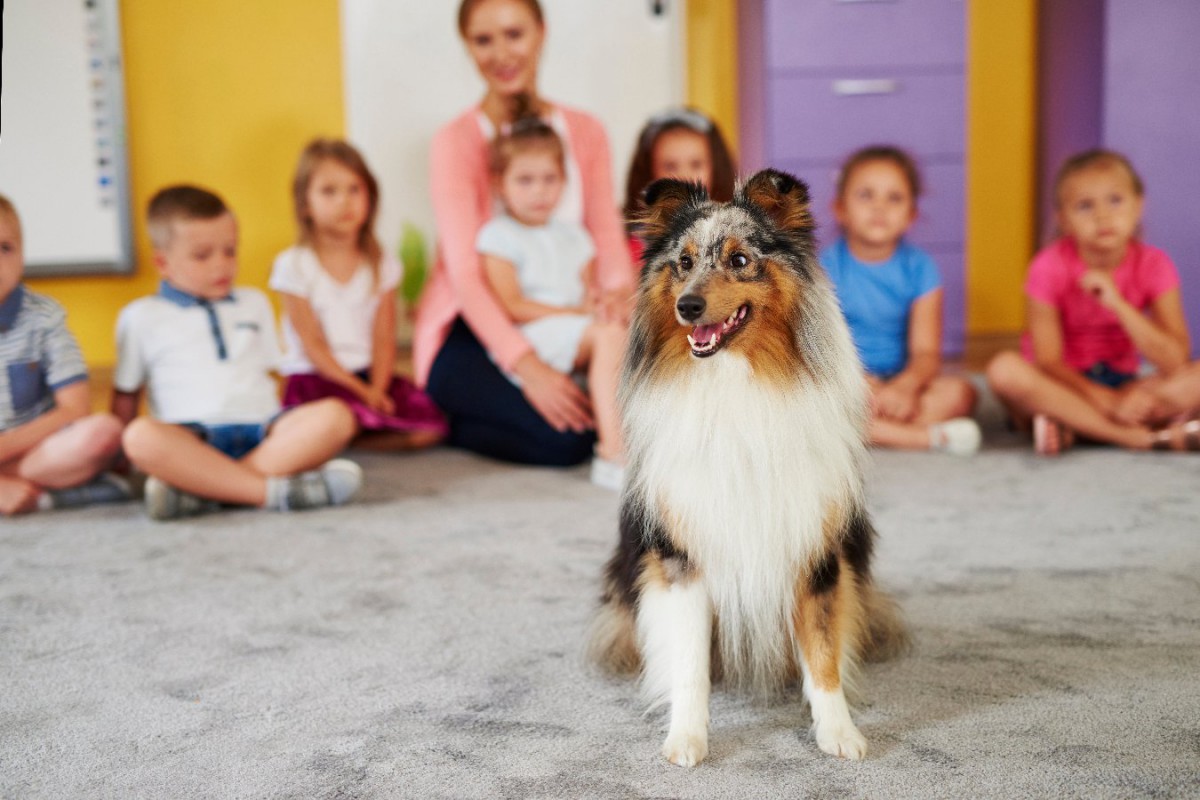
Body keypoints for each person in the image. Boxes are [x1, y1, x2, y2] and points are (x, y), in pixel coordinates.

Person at [414, 0, 634, 467]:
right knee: (565, 440)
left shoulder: (585, 131)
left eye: (514, 34)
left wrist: (616, 299)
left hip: (565, 319)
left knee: (621, 414)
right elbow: (467, 278)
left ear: (541, 32)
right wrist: (528, 368)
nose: (501, 53)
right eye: (482, 40)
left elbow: (606, 235)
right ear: (467, 46)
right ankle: (445, 417)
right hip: (474, 329)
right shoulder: (454, 141)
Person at [113, 185, 364, 521]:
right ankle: (273, 492)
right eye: (203, 256)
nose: (221, 265)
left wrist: (292, 428)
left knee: (337, 416)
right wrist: (121, 463)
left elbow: (276, 375)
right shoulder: (140, 316)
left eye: (230, 251)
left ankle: (203, 493)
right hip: (192, 439)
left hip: (262, 433)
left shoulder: (254, 301)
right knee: (139, 437)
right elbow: (126, 395)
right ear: (163, 263)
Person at [986, 149, 1200, 454]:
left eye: (1115, 200)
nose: (1103, 216)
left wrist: (1118, 304)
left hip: (1127, 383)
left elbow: (1175, 360)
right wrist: (1106, 401)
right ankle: (1131, 434)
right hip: (1065, 385)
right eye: (1085, 206)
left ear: (1138, 206)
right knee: (1005, 370)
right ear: (1063, 220)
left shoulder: (1155, 265)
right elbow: (1048, 361)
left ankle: (1077, 427)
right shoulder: (1047, 266)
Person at [478, 106, 626, 487]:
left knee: (621, 329)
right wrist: (576, 312)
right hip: (534, 334)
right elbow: (511, 305)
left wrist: (596, 306)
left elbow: (589, 290)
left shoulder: (575, 236)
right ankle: (614, 455)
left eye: (549, 179)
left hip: (574, 329)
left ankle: (638, 439)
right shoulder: (498, 236)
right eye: (524, 180)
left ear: (564, 181)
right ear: (500, 184)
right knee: (608, 335)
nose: (539, 191)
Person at [269, 138, 447, 451]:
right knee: (330, 419)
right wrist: (360, 392)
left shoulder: (381, 263)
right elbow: (313, 344)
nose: (345, 201)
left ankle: (355, 441)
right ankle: (342, 432)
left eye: (355, 189)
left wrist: (377, 387)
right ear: (304, 204)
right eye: (329, 191)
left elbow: (383, 338)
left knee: (432, 429)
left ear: (371, 197)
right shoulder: (294, 264)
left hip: (367, 376)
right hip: (317, 378)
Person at [819, 145, 981, 455]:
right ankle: (927, 438)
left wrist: (904, 388)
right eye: (866, 195)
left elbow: (925, 352)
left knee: (962, 393)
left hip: (900, 381)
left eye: (894, 198)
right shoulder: (824, 270)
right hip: (847, 380)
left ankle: (875, 431)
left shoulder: (921, 270)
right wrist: (865, 385)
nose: (880, 207)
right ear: (840, 208)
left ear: (911, 215)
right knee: (814, 407)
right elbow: (824, 351)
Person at [0, 195, 128, 515]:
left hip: (35, 451)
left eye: (4, 248)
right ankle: (47, 495)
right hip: (32, 464)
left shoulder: (45, 318)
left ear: (22, 253)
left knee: (104, 433)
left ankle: (15, 485)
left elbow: (74, 409)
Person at [622, 106, 737, 267]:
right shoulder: (632, 242)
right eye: (670, 166)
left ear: (716, 168)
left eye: (696, 164)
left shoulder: (738, 231)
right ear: (649, 173)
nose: (684, 177)